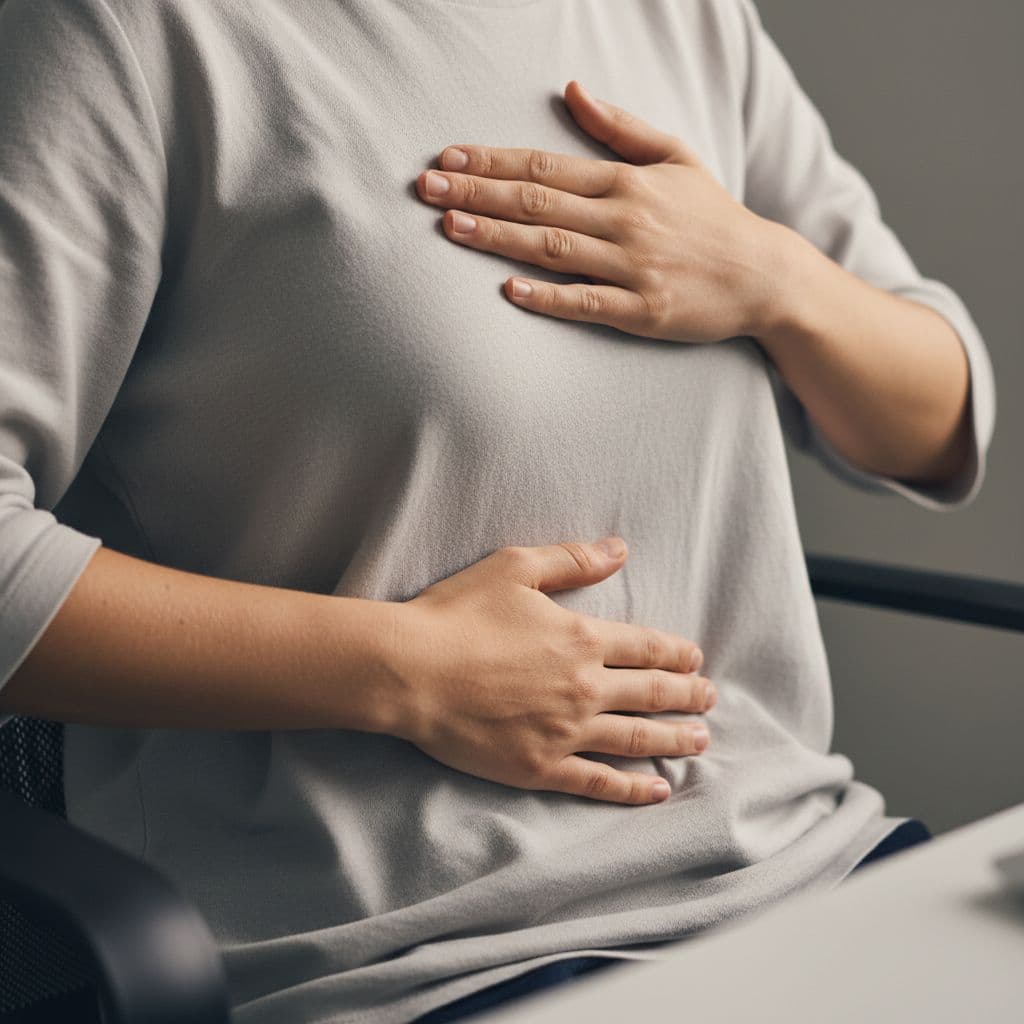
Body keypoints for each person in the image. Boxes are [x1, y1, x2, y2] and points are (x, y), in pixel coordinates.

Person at [0, 1, 995, 1022]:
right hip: (432, 957)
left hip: (810, 875)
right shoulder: (127, 33)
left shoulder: (686, 17)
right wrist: (407, 672)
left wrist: (769, 276)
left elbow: (933, 424)